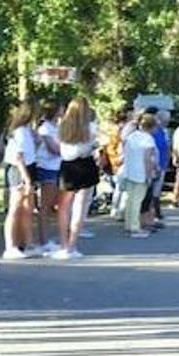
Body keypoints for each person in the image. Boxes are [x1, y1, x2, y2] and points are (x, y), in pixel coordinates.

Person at [52, 97, 100, 259]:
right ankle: (72, 245)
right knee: (80, 207)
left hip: (68, 166)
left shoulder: (62, 126)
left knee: (64, 207)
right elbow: (94, 144)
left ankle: (63, 244)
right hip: (85, 164)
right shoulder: (90, 128)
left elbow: (60, 147)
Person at [2, 102, 39, 259]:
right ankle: (10, 246)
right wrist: (26, 179)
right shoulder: (20, 132)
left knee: (27, 209)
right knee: (15, 209)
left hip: (29, 167)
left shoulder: (27, 131)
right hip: (19, 170)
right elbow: (18, 157)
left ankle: (29, 244)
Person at [119, 113, 159, 238]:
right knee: (138, 200)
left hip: (130, 171)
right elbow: (148, 159)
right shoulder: (148, 139)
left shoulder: (132, 136)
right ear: (152, 127)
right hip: (141, 172)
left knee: (131, 199)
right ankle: (135, 228)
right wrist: (149, 175)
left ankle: (129, 224)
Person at [33, 101, 63, 253]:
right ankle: (43, 240)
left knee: (52, 205)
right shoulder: (45, 128)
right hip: (47, 167)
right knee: (45, 206)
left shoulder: (55, 127)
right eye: (61, 108)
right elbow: (54, 149)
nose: (63, 111)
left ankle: (47, 238)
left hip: (55, 167)